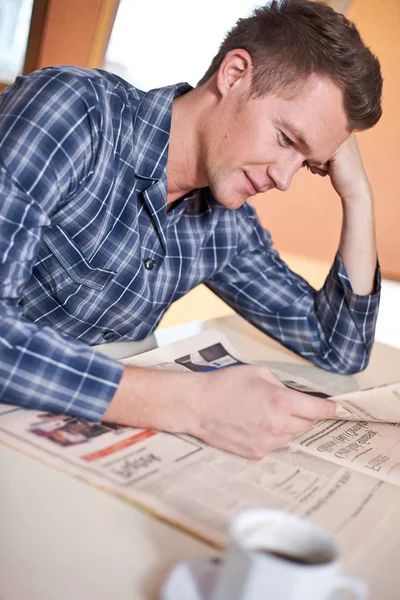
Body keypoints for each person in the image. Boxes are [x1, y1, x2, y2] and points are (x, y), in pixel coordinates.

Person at [0, 0, 382, 458]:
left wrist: (358, 197)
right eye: (285, 139)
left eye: (308, 164)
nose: (284, 178)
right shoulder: (74, 111)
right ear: (235, 74)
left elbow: (339, 350)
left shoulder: (226, 226)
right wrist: (194, 404)